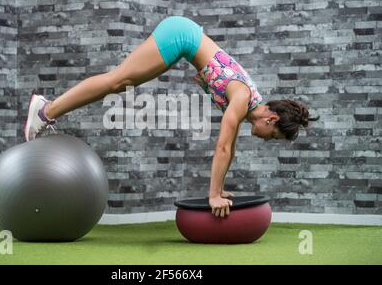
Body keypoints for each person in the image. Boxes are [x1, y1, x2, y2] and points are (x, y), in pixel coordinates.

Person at [24, 16, 319, 218]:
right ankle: (45, 110)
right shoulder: (243, 98)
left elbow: (231, 148)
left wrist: (219, 189)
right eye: (275, 137)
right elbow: (223, 146)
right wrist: (213, 195)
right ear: (271, 121)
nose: (269, 140)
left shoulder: (248, 102)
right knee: (117, 82)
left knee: (120, 83)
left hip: (183, 40)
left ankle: (48, 111)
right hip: (179, 36)